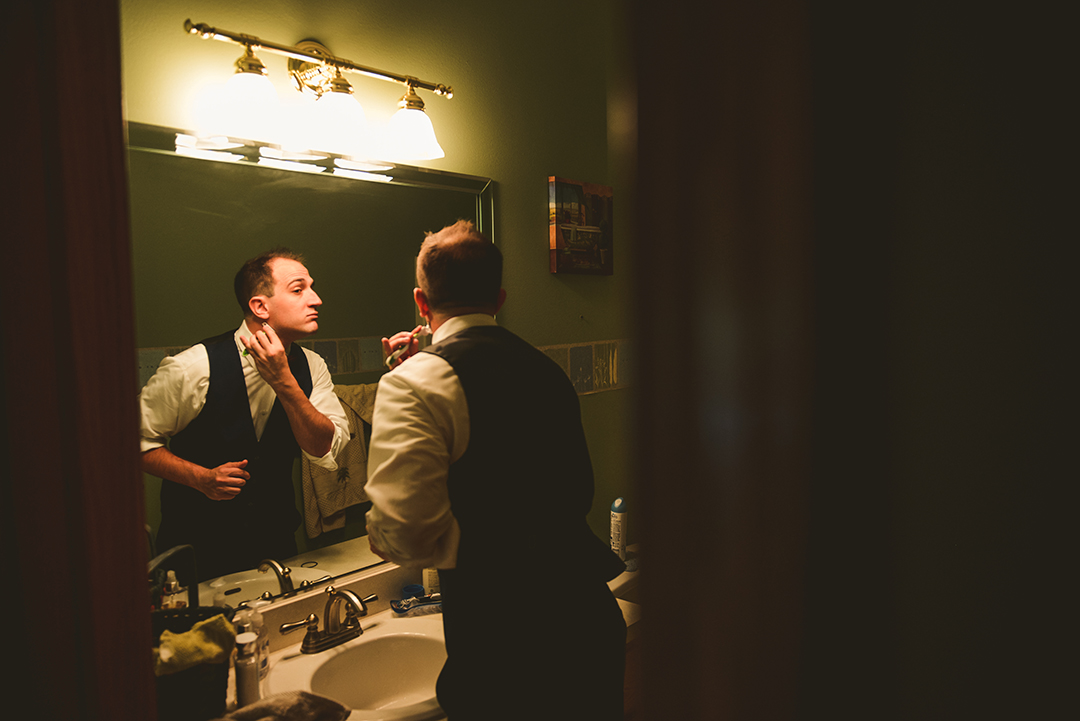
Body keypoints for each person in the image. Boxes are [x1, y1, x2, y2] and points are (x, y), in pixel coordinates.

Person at [365, 221, 627, 720]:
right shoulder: (544, 369)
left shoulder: (413, 383)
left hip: (506, 651)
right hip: (590, 626)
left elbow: (406, 538)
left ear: (421, 302)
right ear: (500, 297)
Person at [139, 248, 349, 581]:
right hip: (197, 555)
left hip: (276, 549)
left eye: (312, 287)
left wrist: (285, 381)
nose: (316, 299)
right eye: (299, 289)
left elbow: (325, 447)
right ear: (259, 306)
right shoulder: (193, 367)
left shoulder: (311, 367)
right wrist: (200, 478)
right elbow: (135, 444)